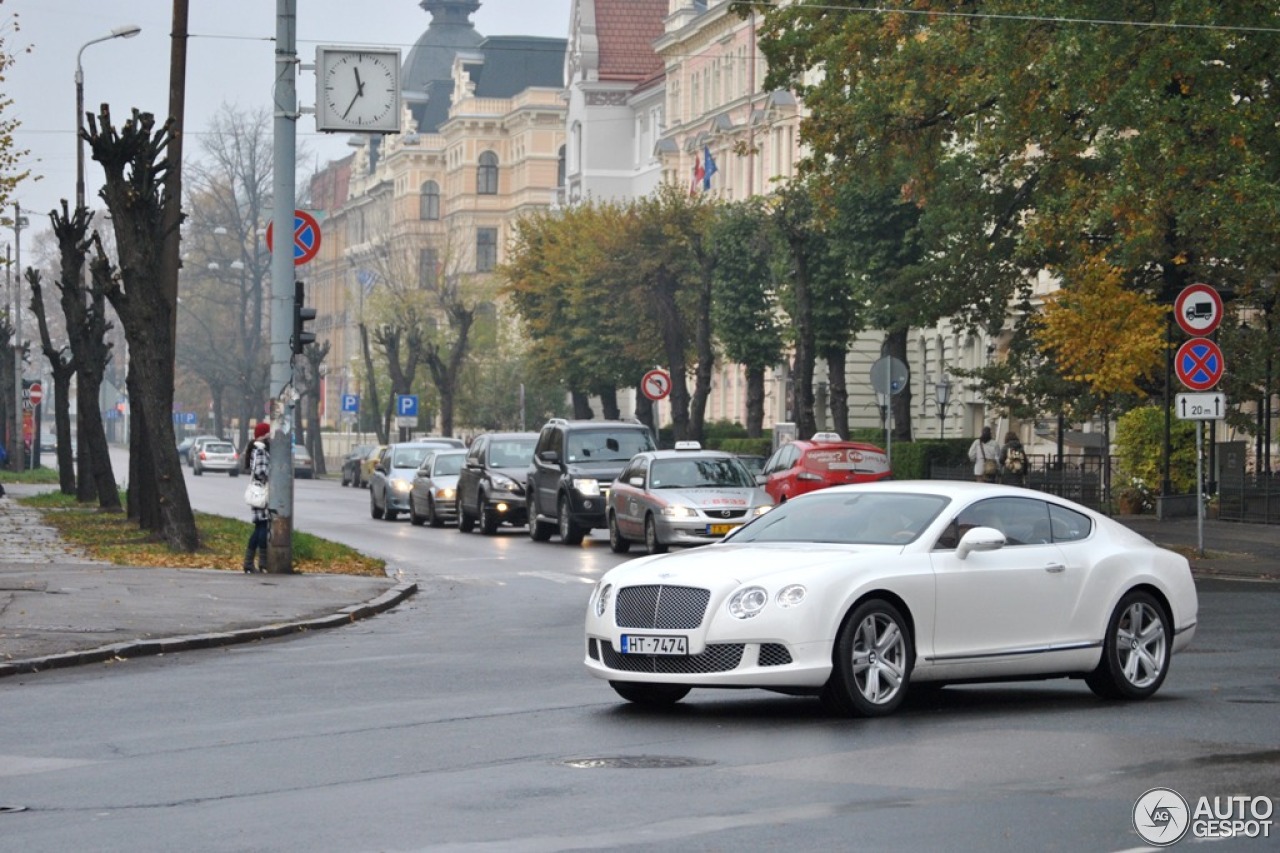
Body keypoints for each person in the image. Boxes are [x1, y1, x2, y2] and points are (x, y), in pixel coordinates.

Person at [242, 422, 271, 573]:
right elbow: (261, 471)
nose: (270, 435)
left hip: (258, 492)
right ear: (264, 434)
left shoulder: (257, 449)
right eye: (268, 432)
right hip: (262, 492)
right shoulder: (260, 450)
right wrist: (273, 473)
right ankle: (263, 563)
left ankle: (249, 563)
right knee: (263, 527)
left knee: (259, 527)